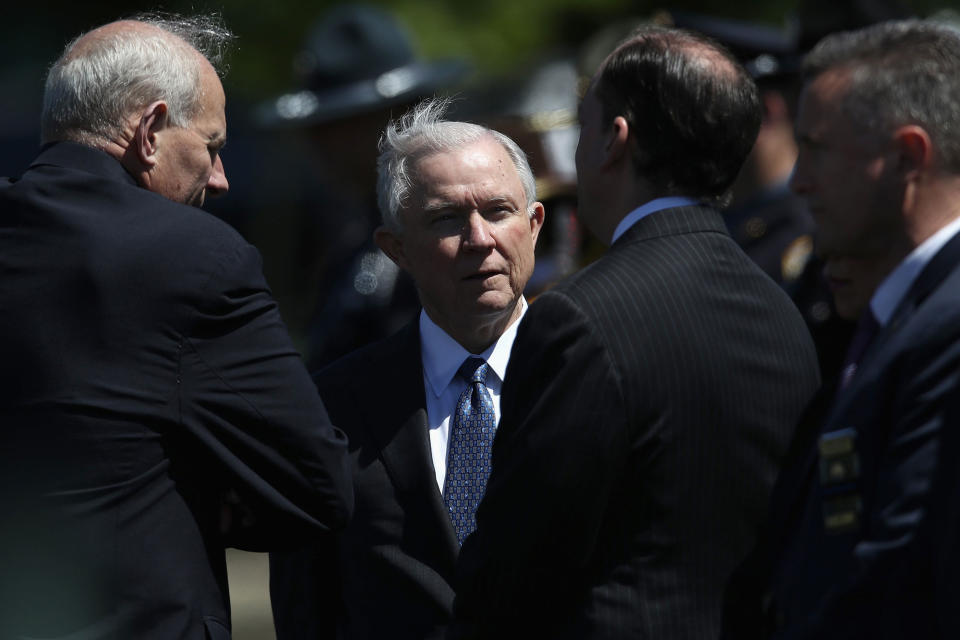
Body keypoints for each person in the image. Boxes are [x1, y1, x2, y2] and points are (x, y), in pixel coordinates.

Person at [449, 25, 821, 639]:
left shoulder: (577, 317)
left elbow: (518, 564)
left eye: (583, 124)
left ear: (613, 141)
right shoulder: (782, 313)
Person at [0, 14, 352, 639]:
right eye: (212, 147)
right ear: (151, 130)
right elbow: (315, 490)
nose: (220, 179)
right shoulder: (194, 256)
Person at [720, 19, 960, 639]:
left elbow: (903, 578)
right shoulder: (900, 316)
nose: (799, 181)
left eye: (819, 151)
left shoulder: (948, 325)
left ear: (908, 157)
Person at [269, 98, 544, 639]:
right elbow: (309, 609)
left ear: (534, 224)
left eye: (498, 211)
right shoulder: (334, 410)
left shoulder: (606, 379)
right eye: (446, 219)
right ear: (395, 249)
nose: (480, 240)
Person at [254, 4, 469, 370]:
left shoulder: (448, 245)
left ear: (397, 118)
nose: (315, 145)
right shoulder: (354, 247)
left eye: (334, 127)